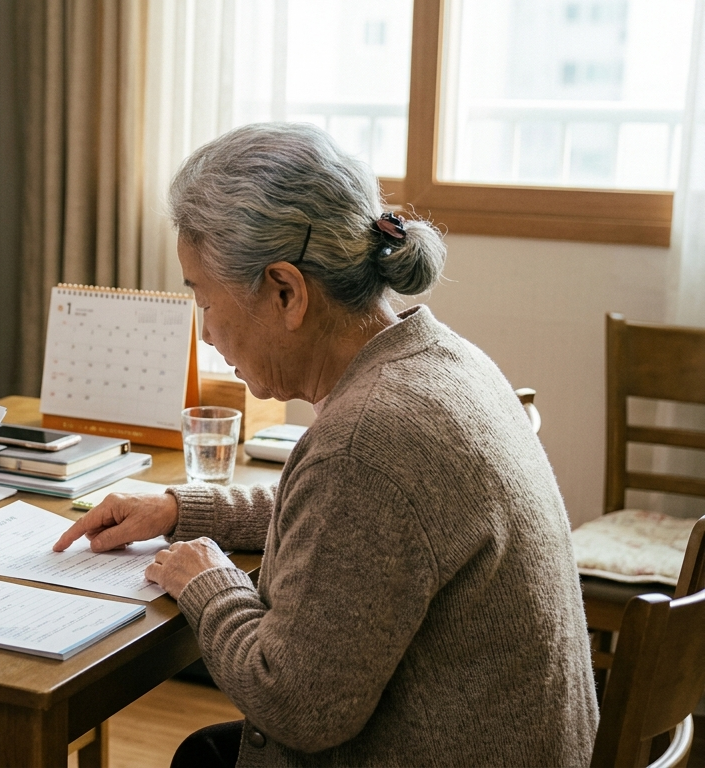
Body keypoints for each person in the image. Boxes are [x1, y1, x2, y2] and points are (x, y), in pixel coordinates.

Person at [53, 123, 597, 767]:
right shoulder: (440, 358)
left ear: (286, 292)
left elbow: (295, 705)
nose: (206, 334)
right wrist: (181, 508)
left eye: (204, 299)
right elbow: (341, 523)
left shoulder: (367, 442)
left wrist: (211, 584)